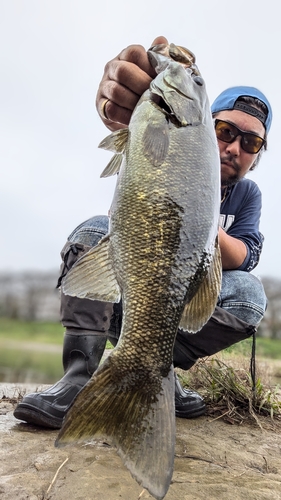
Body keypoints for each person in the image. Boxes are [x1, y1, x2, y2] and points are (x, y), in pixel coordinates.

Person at [14, 36, 272, 428]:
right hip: (126, 290)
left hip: (181, 302)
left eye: (251, 141)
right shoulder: (164, 129)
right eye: (224, 130)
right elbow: (141, 96)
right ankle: (79, 377)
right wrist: (130, 97)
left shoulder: (247, 194)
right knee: (93, 231)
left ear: (257, 155)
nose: (235, 147)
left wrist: (195, 215)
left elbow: (247, 255)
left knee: (250, 295)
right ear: (204, 127)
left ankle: (158, 369)